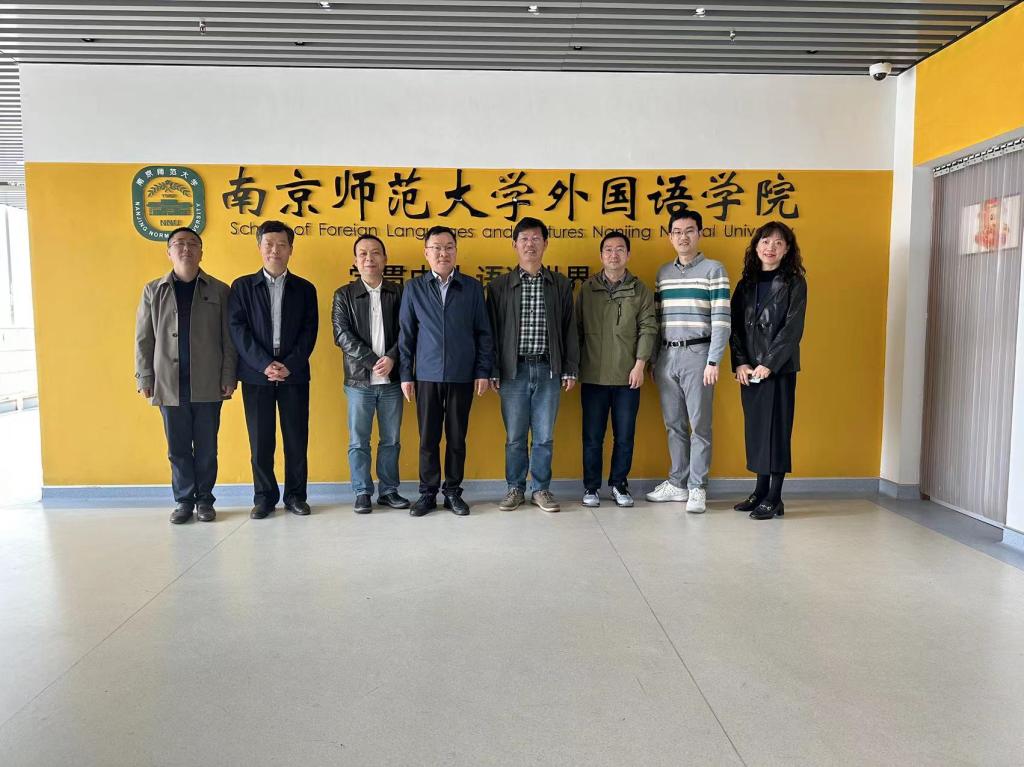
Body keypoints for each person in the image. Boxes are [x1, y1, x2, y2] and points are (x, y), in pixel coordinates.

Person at [135, 227, 237, 524]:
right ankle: (183, 501)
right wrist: (144, 377)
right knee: (178, 448)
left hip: (208, 381)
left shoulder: (219, 290)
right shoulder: (153, 290)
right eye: (179, 244)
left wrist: (228, 375)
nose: (186, 249)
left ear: (201, 252)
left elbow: (229, 339)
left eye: (193, 244)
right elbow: (143, 338)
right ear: (169, 252)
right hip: (169, 382)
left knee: (207, 448)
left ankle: (204, 500)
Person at [398, 226, 493, 517]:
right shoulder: (414, 288)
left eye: (449, 247)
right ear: (426, 253)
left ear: (456, 251)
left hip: (461, 375)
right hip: (426, 376)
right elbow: (406, 335)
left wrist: (482, 371)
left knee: (456, 438)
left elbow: (483, 333)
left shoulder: (472, 288)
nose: (443, 253)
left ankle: (452, 492)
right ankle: (427, 493)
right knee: (427, 438)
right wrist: (406, 374)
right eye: (437, 248)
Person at [486, 217, 579, 513]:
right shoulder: (499, 286)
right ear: (515, 244)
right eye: (524, 239)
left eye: (536, 238)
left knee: (544, 437)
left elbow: (569, 328)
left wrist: (569, 367)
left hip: (548, 370)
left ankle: (541, 489)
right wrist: (493, 369)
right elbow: (491, 331)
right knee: (515, 437)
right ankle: (515, 488)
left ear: (545, 244)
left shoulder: (559, 284)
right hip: (513, 372)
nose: (530, 244)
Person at [229, 220, 318, 519]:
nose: (275, 250)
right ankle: (264, 497)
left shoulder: (305, 289)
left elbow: (309, 331)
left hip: (294, 375)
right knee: (260, 441)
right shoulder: (242, 287)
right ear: (259, 247)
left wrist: (288, 365)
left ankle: (296, 496)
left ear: (291, 249)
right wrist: (264, 364)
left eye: (281, 245)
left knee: (296, 439)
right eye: (269, 244)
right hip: (257, 376)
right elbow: (238, 330)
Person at [646, 210, 730, 513]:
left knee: (700, 426)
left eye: (689, 231)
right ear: (670, 236)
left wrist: (713, 361)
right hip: (667, 356)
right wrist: (654, 359)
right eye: (677, 232)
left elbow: (722, 319)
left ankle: (697, 487)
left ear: (700, 234)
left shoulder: (714, 270)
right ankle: (678, 483)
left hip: (698, 356)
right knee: (674, 425)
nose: (683, 237)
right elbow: (657, 320)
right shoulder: (663, 274)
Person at [730, 221, 807, 520]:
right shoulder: (746, 284)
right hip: (749, 371)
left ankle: (775, 496)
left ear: (787, 249)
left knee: (777, 431)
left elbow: (792, 328)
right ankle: (760, 490)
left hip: (778, 370)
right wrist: (740, 362)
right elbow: (735, 327)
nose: (770, 247)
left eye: (778, 243)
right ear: (756, 246)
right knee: (757, 431)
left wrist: (769, 363)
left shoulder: (794, 283)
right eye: (765, 241)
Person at [576, 231, 657, 507]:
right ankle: (591, 487)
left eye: (620, 249)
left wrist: (640, 365)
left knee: (624, 436)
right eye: (608, 250)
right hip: (593, 376)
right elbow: (577, 330)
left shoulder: (639, 289)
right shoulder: (587, 289)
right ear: (601, 256)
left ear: (628, 255)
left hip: (627, 377)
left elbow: (648, 328)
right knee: (592, 437)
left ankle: (619, 484)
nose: (614, 255)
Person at [332, 234, 409, 514]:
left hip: (392, 381)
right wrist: (375, 361)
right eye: (363, 254)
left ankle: (388, 491)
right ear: (355, 261)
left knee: (391, 440)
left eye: (375, 253)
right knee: (358, 441)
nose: (369, 258)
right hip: (359, 382)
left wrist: (392, 358)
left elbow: (408, 330)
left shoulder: (399, 292)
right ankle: (362, 491)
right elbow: (342, 335)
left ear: (385, 259)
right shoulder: (343, 295)